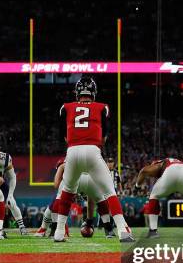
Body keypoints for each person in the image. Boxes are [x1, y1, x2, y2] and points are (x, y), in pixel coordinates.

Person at [53, 76, 134, 242]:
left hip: (72, 152)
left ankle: (59, 233)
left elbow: (65, 137)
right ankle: (122, 231)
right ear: (93, 92)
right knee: (109, 192)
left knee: (67, 192)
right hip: (92, 150)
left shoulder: (65, 107)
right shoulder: (102, 107)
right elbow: (104, 137)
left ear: (77, 92)